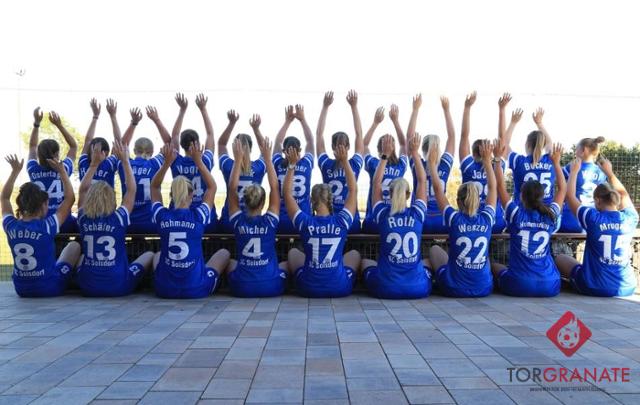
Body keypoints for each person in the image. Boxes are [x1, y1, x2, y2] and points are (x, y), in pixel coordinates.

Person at [151, 143, 230, 299]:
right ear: (192, 195)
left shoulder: (162, 216)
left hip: (164, 289)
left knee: (158, 255)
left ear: (171, 195)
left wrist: (167, 163)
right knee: (224, 253)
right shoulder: (199, 216)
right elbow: (212, 187)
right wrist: (198, 162)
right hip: (196, 289)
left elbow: (154, 187)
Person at [77, 141, 154, 296]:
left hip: (87, 286)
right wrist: (125, 161)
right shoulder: (119, 218)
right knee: (150, 254)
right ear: (111, 198)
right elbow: (131, 190)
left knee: (81, 254)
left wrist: (93, 165)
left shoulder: (83, 218)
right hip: (119, 286)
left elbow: (83, 190)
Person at [361, 134, 432, 299]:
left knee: (365, 262)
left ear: (389, 193)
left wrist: (384, 156)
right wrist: (414, 153)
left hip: (386, 288)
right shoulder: (417, 213)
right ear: (408, 195)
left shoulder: (382, 214)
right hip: (418, 289)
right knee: (427, 262)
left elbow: (376, 183)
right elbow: (422, 181)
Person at [285, 145, 361, 298]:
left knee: (293, 252)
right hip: (340, 288)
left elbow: (287, 194)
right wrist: (345, 161)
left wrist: (292, 165)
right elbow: (353, 190)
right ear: (330, 200)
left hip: (308, 288)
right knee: (354, 254)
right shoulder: (341, 221)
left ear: (312, 201)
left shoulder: (305, 222)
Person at [492, 142, 566, 297]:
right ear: (542, 196)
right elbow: (562, 189)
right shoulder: (550, 216)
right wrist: (556, 163)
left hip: (518, 284)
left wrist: (497, 159)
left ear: (521, 196)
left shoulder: (516, 214)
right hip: (550, 285)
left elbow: (500, 187)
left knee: (493, 266)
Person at [556, 158, 638, 297]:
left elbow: (570, 197)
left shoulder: (592, 218)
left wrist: (574, 172)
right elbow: (625, 195)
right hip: (627, 287)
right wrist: (610, 173)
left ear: (598, 201)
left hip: (593, 286)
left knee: (560, 258)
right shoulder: (630, 218)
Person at [2, 154, 80, 297]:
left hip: (21, 289)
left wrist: (14, 172)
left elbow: (4, 198)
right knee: (74, 246)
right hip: (49, 287)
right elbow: (70, 199)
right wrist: (62, 172)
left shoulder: (10, 226)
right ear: (43, 205)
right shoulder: (47, 226)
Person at [427, 140, 497, 297]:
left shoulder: (454, 218)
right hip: (484, 288)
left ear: (458, 201)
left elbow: (438, 189)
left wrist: (431, 164)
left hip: (454, 288)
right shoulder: (487, 218)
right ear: (478, 201)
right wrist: (487, 161)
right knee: (486, 260)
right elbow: (493, 188)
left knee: (435, 249)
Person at [224, 133, 286, 297]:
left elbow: (232, 188)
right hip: (271, 286)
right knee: (285, 265)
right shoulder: (270, 221)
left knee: (230, 262)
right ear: (263, 202)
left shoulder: (238, 221)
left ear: (243, 200)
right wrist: (268, 159)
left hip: (241, 288)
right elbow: (275, 187)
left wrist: (238, 160)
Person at [112, 103, 171, 233]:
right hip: (150, 222)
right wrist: (156, 120)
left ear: (134, 150)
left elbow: (120, 145)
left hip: (128, 221)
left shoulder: (124, 164)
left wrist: (134, 123)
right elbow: (171, 144)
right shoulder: (155, 164)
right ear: (152, 152)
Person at [316, 90, 365, 233]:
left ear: (332, 147)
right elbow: (359, 135)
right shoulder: (354, 164)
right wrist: (354, 107)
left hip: (330, 221)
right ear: (348, 147)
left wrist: (325, 107)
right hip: (351, 221)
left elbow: (319, 135)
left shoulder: (325, 164)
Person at [406, 95, 456, 234]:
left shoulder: (417, 163)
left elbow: (409, 138)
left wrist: (415, 109)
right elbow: (452, 137)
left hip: (420, 218)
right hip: (441, 218)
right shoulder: (444, 165)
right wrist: (446, 110)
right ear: (439, 148)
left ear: (422, 148)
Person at [169, 93, 218, 232]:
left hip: (178, 216)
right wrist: (203, 109)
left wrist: (182, 110)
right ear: (197, 143)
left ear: (181, 145)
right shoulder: (205, 160)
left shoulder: (175, 161)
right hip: (205, 216)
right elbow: (210, 134)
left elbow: (174, 135)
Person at [459, 92, 507, 233]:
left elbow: (464, 136)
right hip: (495, 220)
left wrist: (467, 108)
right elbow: (502, 138)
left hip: (470, 220)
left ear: (473, 153)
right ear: (490, 151)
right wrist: (502, 109)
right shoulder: (497, 164)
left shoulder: (468, 166)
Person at [27, 107, 79, 232]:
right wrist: (59, 125)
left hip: (42, 223)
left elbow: (32, 146)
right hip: (64, 222)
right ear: (56, 154)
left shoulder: (33, 170)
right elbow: (73, 146)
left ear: (39, 155)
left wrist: (36, 123)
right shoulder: (64, 169)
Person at [216, 110, 266, 233]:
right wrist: (256, 129)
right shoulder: (258, 167)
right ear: (251, 149)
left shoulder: (228, 166)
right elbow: (264, 149)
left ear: (234, 148)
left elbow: (221, 144)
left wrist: (231, 123)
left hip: (229, 222)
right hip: (251, 224)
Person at [362, 104, 408, 233]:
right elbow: (403, 144)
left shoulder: (374, 164)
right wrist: (395, 121)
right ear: (393, 148)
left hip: (374, 220)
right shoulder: (401, 165)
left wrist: (375, 123)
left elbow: (364, 145)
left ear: (378, 149)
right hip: (395, 221)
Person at [501, 101, 555, 205]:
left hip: (522, 211)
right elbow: (549, 143)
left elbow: (504, 145)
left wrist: (513, 123)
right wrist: (539, 123)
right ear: (543, 144)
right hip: (546, 211)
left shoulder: (518, 161)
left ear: (528, 144)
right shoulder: (550, 160)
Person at [273, 104, 315, 233]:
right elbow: (310, 141)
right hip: (302, 219)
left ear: (284, 151)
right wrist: (302, 120)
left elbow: (277, 142)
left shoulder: (278, 163)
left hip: (281, 220)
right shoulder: (306, 163)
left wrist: (287, 121)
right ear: (300, 150)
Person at [559, 137, 608, 233]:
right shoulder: (600, 172)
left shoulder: (572, 166)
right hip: (591, 220)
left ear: (584, 150)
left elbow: (557, 175)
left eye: (576, 149)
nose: (575, 152)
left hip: (570, 219)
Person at [78, 98, 120, 185]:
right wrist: (113, 116)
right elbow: (118, 142)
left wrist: (95, 116)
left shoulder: (83, 162)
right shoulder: (109, 163)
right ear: (106, 153)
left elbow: (88, 141)